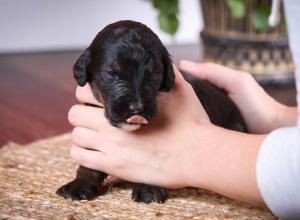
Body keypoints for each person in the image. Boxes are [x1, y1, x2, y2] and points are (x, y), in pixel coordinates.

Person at [67, 1, 300, 219]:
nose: (137, 102)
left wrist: (188, 153)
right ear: (86, 69)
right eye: (112, 75)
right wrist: (274, 117)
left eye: (153, 76)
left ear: (167, 74)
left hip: (231, 124)